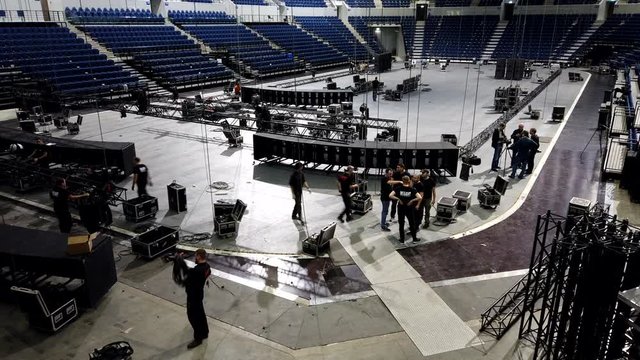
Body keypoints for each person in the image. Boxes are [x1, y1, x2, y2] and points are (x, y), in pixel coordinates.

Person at [181, 249, 211, 349]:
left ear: (198, 256)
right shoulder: (207, 267)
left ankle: (198, 338)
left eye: (196, 256)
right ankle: (205, 332)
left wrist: (179, 260)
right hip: (199, 294)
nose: (195, 258)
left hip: (193, 296)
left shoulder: (196, 271)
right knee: (201, 314)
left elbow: (186, 275)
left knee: (193, 317)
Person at [389, 175, 421, 244]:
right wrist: (412, 201)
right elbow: (420, 197)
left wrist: (398, 199)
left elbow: (390, 195)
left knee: (401, 224)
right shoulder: (412, 189)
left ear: (402, 181)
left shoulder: (398, 188)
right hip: (409, 208)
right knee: (412, 223)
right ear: (409, 181)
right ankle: (414, 239)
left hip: (401, 208)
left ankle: (402, 239)